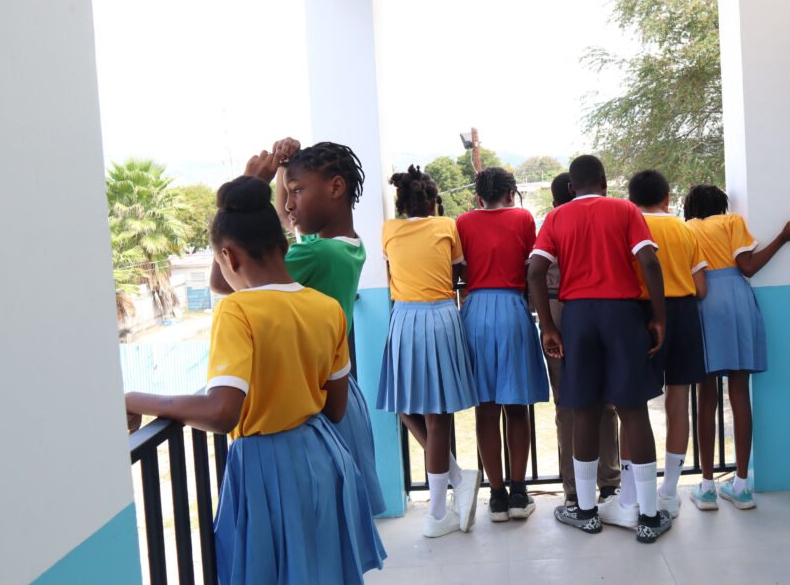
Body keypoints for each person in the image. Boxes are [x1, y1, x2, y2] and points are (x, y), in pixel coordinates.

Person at [126, 176, 385, 585]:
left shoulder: (238, 311)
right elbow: (336, 408)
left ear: (227, 257)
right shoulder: (326, 308)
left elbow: (221, 411)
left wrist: (133, 399)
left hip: (268, 468)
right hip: (326, 459)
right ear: (283, 245)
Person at [212, 139, 386, 516]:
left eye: (298, 191)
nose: (289, 204)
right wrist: (281, 175)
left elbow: (225, 280)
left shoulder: (316, 253)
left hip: (311, 405)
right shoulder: (347, 245)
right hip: (340, 392)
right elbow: (285, 221)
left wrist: (245, 189)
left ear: (335, 187)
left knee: (317, 517)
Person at [528, 155, 670, 544]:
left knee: (584, 410)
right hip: (622, 315)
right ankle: (649, 516)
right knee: (633, 411)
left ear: (570, 188)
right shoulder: (625, 210)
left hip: (578, 318)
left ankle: (586, 511)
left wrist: (548, 326)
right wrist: (659, 317)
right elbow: (649, 261)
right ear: (605, 182)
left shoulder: (556, 217)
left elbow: (535, 271)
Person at [683, 184, 790, 511]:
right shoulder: (731, 222)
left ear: (691, 208)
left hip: (704, 304)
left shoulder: (687, 229)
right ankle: (741, 486)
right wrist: (783, 237)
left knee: (706, 396)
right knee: (739, 393)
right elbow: (747, 266)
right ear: (721, 205)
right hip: (738, 300)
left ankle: (707, 487)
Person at [376, 165, 480, 538]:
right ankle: (447, 496)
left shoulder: (388, 230)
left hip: (403, 319)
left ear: (401, 203)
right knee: (436, 417)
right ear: (433, 202)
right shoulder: (446, 226)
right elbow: (455, 273)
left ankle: (443, 504)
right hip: (439, 316)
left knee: (405, 405)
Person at [601, 169, 708, 529]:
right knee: (679, 402)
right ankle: (669, 493)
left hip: (639, 315)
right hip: (684, 314)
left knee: (631, 405)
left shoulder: (627, 224)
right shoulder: (685, 229)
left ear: (631, 200)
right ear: (667, 198)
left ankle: (630, 495)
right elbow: (702, 287)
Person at [456, 167, 550, 522]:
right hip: (512, 309)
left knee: (486, 408)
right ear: (511, 193)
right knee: (516, 405)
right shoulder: (523, 218)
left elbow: (460, 270)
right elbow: (531, 267)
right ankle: (519, 493)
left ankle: (496, 496)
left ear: (479, 196)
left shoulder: (463, 222)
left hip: (475, 312)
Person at [543, 172, 621, 508]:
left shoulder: (552, 224)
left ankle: (574, 489)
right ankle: (610, 482)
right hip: (601, 309)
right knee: (606, 400)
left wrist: (547, 324)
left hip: (557, 310)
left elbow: (534, 270)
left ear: (555, 200)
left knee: (567, 403)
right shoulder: (601, 220)